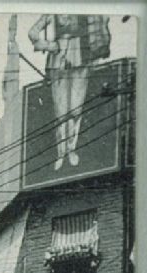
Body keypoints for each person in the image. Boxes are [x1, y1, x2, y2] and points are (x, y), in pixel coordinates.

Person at [28, 14, 112, 170]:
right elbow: (33, 33)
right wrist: (49, 46)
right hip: (58, 61)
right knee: (61, 112)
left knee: (76, 109)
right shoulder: (53, 11)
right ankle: (61, 153)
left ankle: (71, 149)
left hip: (82, 57)